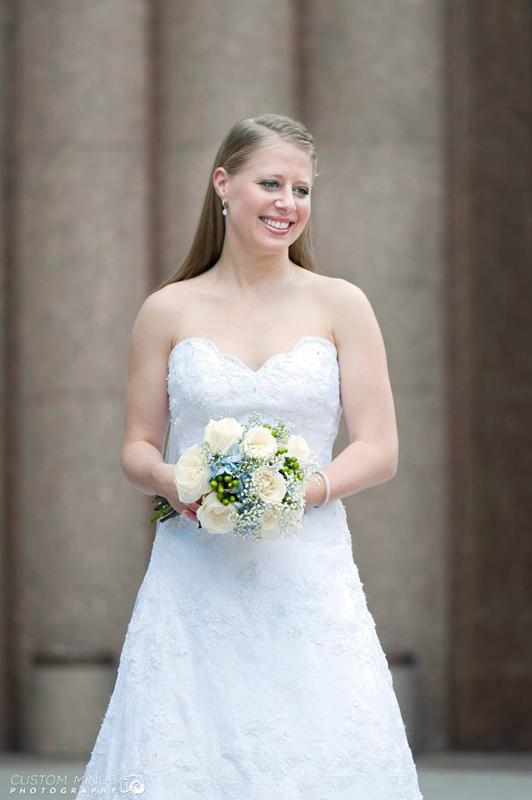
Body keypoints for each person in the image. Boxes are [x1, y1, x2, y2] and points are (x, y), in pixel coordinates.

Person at [76, 113, 424, 799]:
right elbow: (136, 446)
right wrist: (171, 477)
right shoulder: (167, 310)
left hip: (310, 576)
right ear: (223, 184)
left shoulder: (341, 303)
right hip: (192, 577)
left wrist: (301, 490)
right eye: (271, 183)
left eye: (302, 189)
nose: (287, 204)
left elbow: (379, 448)